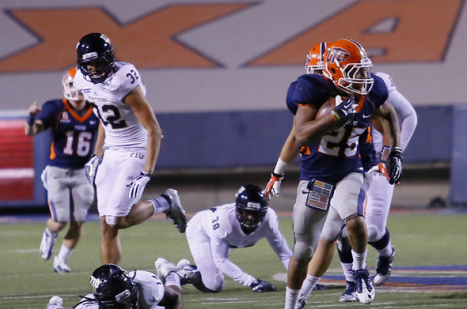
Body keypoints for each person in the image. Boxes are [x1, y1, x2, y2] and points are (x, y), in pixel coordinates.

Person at [264, 39, 402, 309]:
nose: (362, 79)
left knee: (355, 219)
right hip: (316, 177)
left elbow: (390, 114)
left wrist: (394, 152)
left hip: (349, 171)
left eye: (363, 71)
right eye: (354, 72)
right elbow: (299, 135)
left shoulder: (370, 92)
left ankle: (361, 272)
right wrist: (278, 173)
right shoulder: (312, 92)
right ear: (335, 71)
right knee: (303, 250)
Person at [297, 70, 417, 304]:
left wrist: (394, 154)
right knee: (336, 229)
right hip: (348, 159)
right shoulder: (321, 91)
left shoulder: (374, 84)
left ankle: (385, 253)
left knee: (369, 230)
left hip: (376, 158)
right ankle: (352, 283)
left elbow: (406, 115)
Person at [73, 32, 187, 265]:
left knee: (118, 219)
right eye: (89, 64)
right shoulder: (81, 81)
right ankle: (111, 279)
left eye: (98, 62)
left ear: (109, 57)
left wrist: (147, 172)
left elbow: (154, 129)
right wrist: (97, 154)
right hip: (111, 151)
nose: (93, 68)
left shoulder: (123, 82)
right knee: (107, 224)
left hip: (135, 150)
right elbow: (105, 118)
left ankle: (164, 202)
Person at [25, 67, 99, 273]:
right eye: (75, 84)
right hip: (58, 170)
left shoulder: (97, 107)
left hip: (82, 171)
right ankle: (50, 233)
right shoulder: (56, 107)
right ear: (66, 85)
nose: (78, 90)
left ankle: (61, 260)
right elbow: (32, 131)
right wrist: (31, 118)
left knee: (79, 221)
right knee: (60, 221)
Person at [155, 184, 292, 293]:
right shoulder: (224, 222)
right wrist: (252, 282)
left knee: (212, 278)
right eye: (247, 213)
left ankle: (185, 268)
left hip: (226, 239)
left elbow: (284, 254)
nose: (250, 218)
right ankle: (172, 271)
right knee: (213, 285)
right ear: (238, 210)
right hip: (201, 231)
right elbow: (220, 260)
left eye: (255, 214)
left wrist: (302, 280)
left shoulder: (269, 221)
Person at [42, 263, 185, 309]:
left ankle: (172, 275)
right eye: (120, 303)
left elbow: (175, 298)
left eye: (128, 298)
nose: (127, 305)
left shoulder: (146, 287)